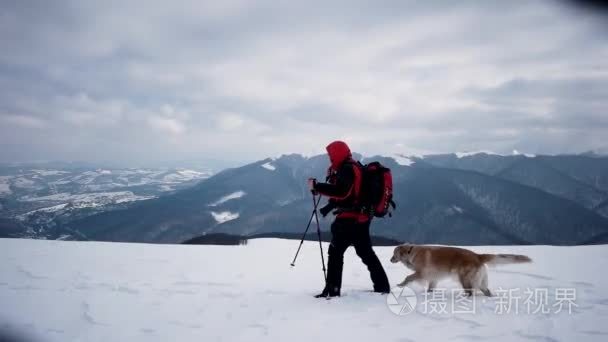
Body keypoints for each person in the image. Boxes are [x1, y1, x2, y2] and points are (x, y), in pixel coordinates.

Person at [308, 140, 390, 298]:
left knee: (335, 252)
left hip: (349, 220)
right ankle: (382, 286)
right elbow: (350, 195)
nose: (330, 158)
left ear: (337, 153)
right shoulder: (353, 166)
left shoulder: (347, 169)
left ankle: (333, 290)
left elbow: (341, 191)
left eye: (331, 155)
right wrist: (328, 207)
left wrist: (317, 187)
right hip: (361, 217)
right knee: (366, 253)